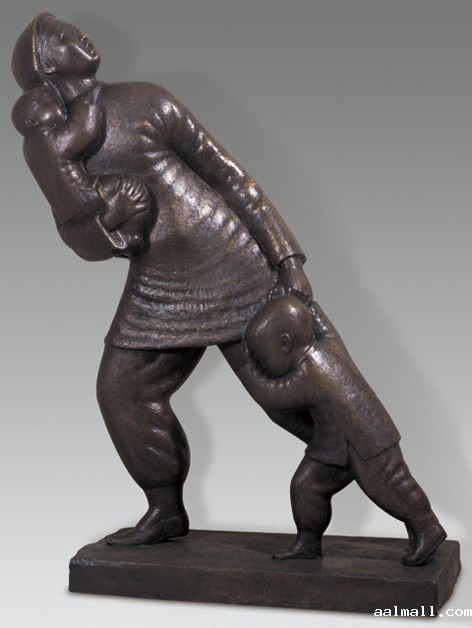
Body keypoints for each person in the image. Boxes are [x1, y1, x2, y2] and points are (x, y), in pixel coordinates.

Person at [12, 13, 314, 546]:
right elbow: (77, 234)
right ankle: (165, 508)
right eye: (59, 37)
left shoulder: (146, 101)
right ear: (45, 68)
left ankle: (360, 462)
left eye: (71, 29)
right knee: (122, 391)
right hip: (160, 283)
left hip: (229, 262)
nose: (78, 36)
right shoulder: (51, 144)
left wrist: (286, 257)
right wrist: (108, 221)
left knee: (288, 396)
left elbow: (230, 177)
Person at [241, 297, 446, 566]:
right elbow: (325, 327)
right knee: (306, 487)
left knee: (390, 486)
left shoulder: (309, 372)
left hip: (368, 440)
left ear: (284, 344)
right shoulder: (329, 345)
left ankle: (427, 528)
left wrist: (245, 365)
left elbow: (270, 395)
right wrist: (308, 304)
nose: (262, 364)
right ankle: (308, 542)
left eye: (262, 357)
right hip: (333, 445)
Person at [11, 84, 152, 257]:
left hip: (65, 213)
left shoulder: (29, 148)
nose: (57, 102)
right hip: (86, 195)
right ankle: (128, 232)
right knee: (131, 189)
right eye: (47, 102)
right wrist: (83, 103)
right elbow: (86, 130)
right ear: (31, 121)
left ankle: (110, 228)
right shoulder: (50, 140)